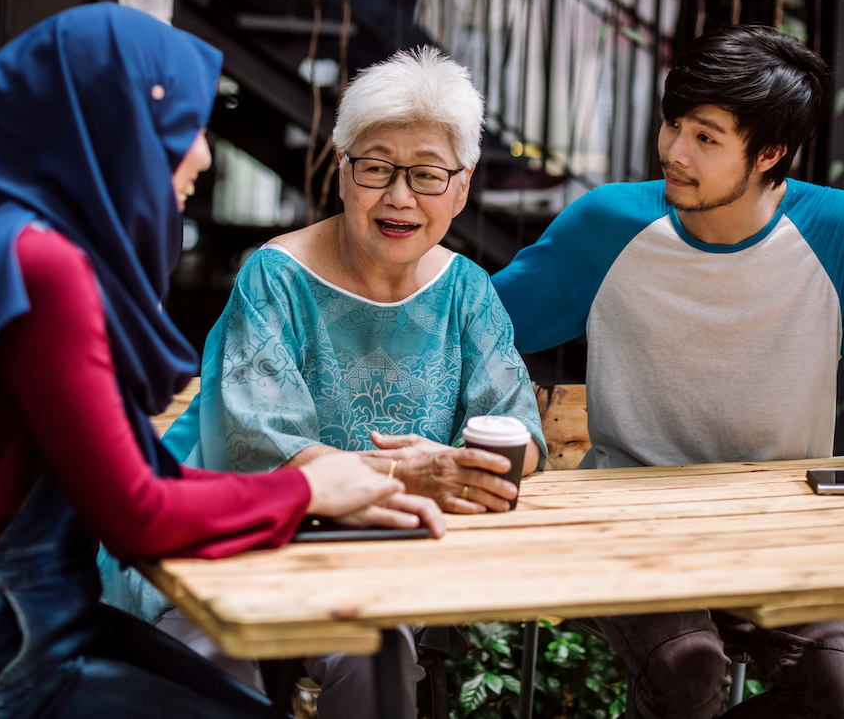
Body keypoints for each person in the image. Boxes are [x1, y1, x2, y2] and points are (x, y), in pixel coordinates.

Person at [0, 3, 440, 719]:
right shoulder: (43, 266)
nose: (202, 154)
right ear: (115, 123)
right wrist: (308, 491)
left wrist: (309, 490)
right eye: (186, 127)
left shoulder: (9, 237)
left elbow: (135, 483)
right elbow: (136, 513)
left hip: (3, 634)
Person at [492, 24, 844, 719]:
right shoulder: (608, 224)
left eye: (706, 138)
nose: (676, 151)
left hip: (781, 533)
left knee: (839, 690)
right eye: (674, 124)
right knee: (688, 672)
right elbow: (481, 327)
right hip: (635, 527)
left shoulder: (841, 232)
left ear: (770, 152)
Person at [104, 46, 546, 717]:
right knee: (216, 666)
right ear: (342, 173)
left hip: (376, 560)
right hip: (233, 548)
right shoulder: (275, 277)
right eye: (376, 169)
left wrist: (474, 463)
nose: (399, 197)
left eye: (427, 174)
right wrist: (413, 475)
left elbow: (521, 436)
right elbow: (267, 447)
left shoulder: (467, 292)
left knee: (378, 647)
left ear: (461, 185)